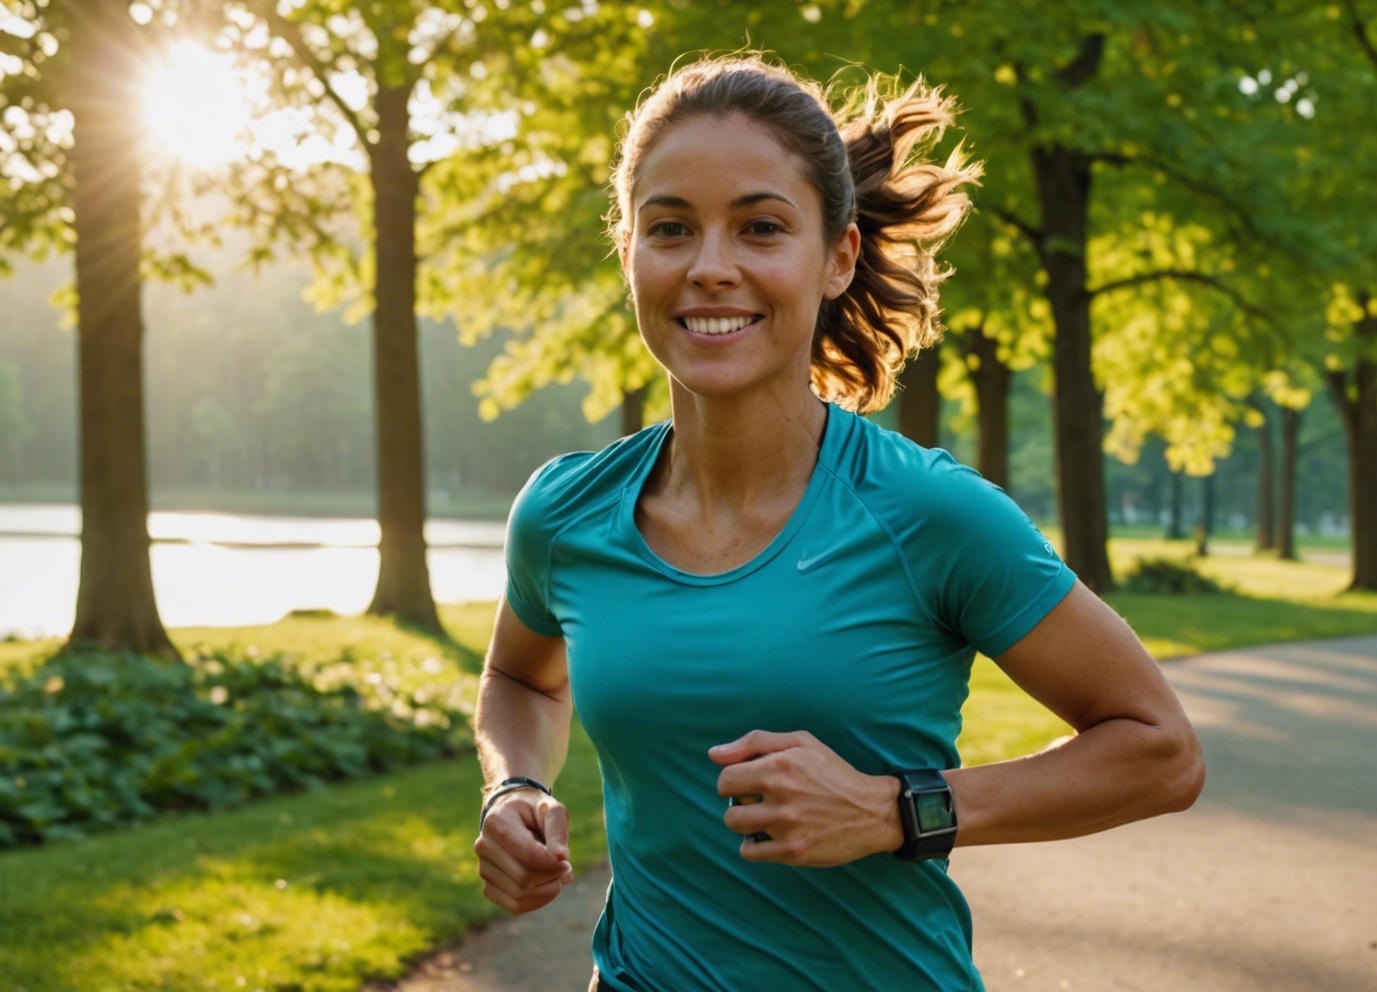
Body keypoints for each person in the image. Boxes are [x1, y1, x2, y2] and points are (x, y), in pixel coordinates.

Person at [469, 56, 1205, 990]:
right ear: (630, 255)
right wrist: (516, 786)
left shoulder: (928, 514)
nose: (710, 267)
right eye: (670, 229)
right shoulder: (566, 513)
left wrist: (896, 810)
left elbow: (1160, 751)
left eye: (761, 228)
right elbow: (520, 681)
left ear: (839, 257)